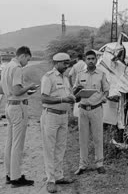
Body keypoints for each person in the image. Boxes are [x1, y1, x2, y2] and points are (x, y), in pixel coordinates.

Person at [2, 46, 38, 188]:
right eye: (27, 60)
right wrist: (28, 87)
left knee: (10, 142)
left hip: (9, 104)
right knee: (18, 143)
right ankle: (16, 178)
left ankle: (9, 174)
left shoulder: (6, 67)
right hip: (18, 107)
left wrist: (24, 92)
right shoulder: (17, 68)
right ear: (23, 56)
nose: (27, 63)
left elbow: (6, 89)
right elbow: (17, 90)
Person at [40, 53, 76, 193]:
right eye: (65, 63)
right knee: (49, 148)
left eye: (68, 63)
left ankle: (59, 175)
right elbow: (44, 98)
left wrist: (72, 98)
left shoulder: (65, 79)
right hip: (51, 116)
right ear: (57, 63)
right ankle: (50, 180)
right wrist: (62, 100)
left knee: (61, 146)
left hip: (63, 116)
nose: (67, 66)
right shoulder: (48, 77)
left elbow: (66, 95)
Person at [73, 50, 109, 175]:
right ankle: (83, 165)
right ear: (85, 60)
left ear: (96, 59)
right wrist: (77, 91)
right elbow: (74, 91)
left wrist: (104, 97)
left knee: (98, 137)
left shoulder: (101, 74)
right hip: (83, 109)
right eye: (88, 59)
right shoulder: (80, 74)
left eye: (93, 58)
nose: (91, 61)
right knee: (83, 138)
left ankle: (99, 164)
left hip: (96, 109)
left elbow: (106, 90)